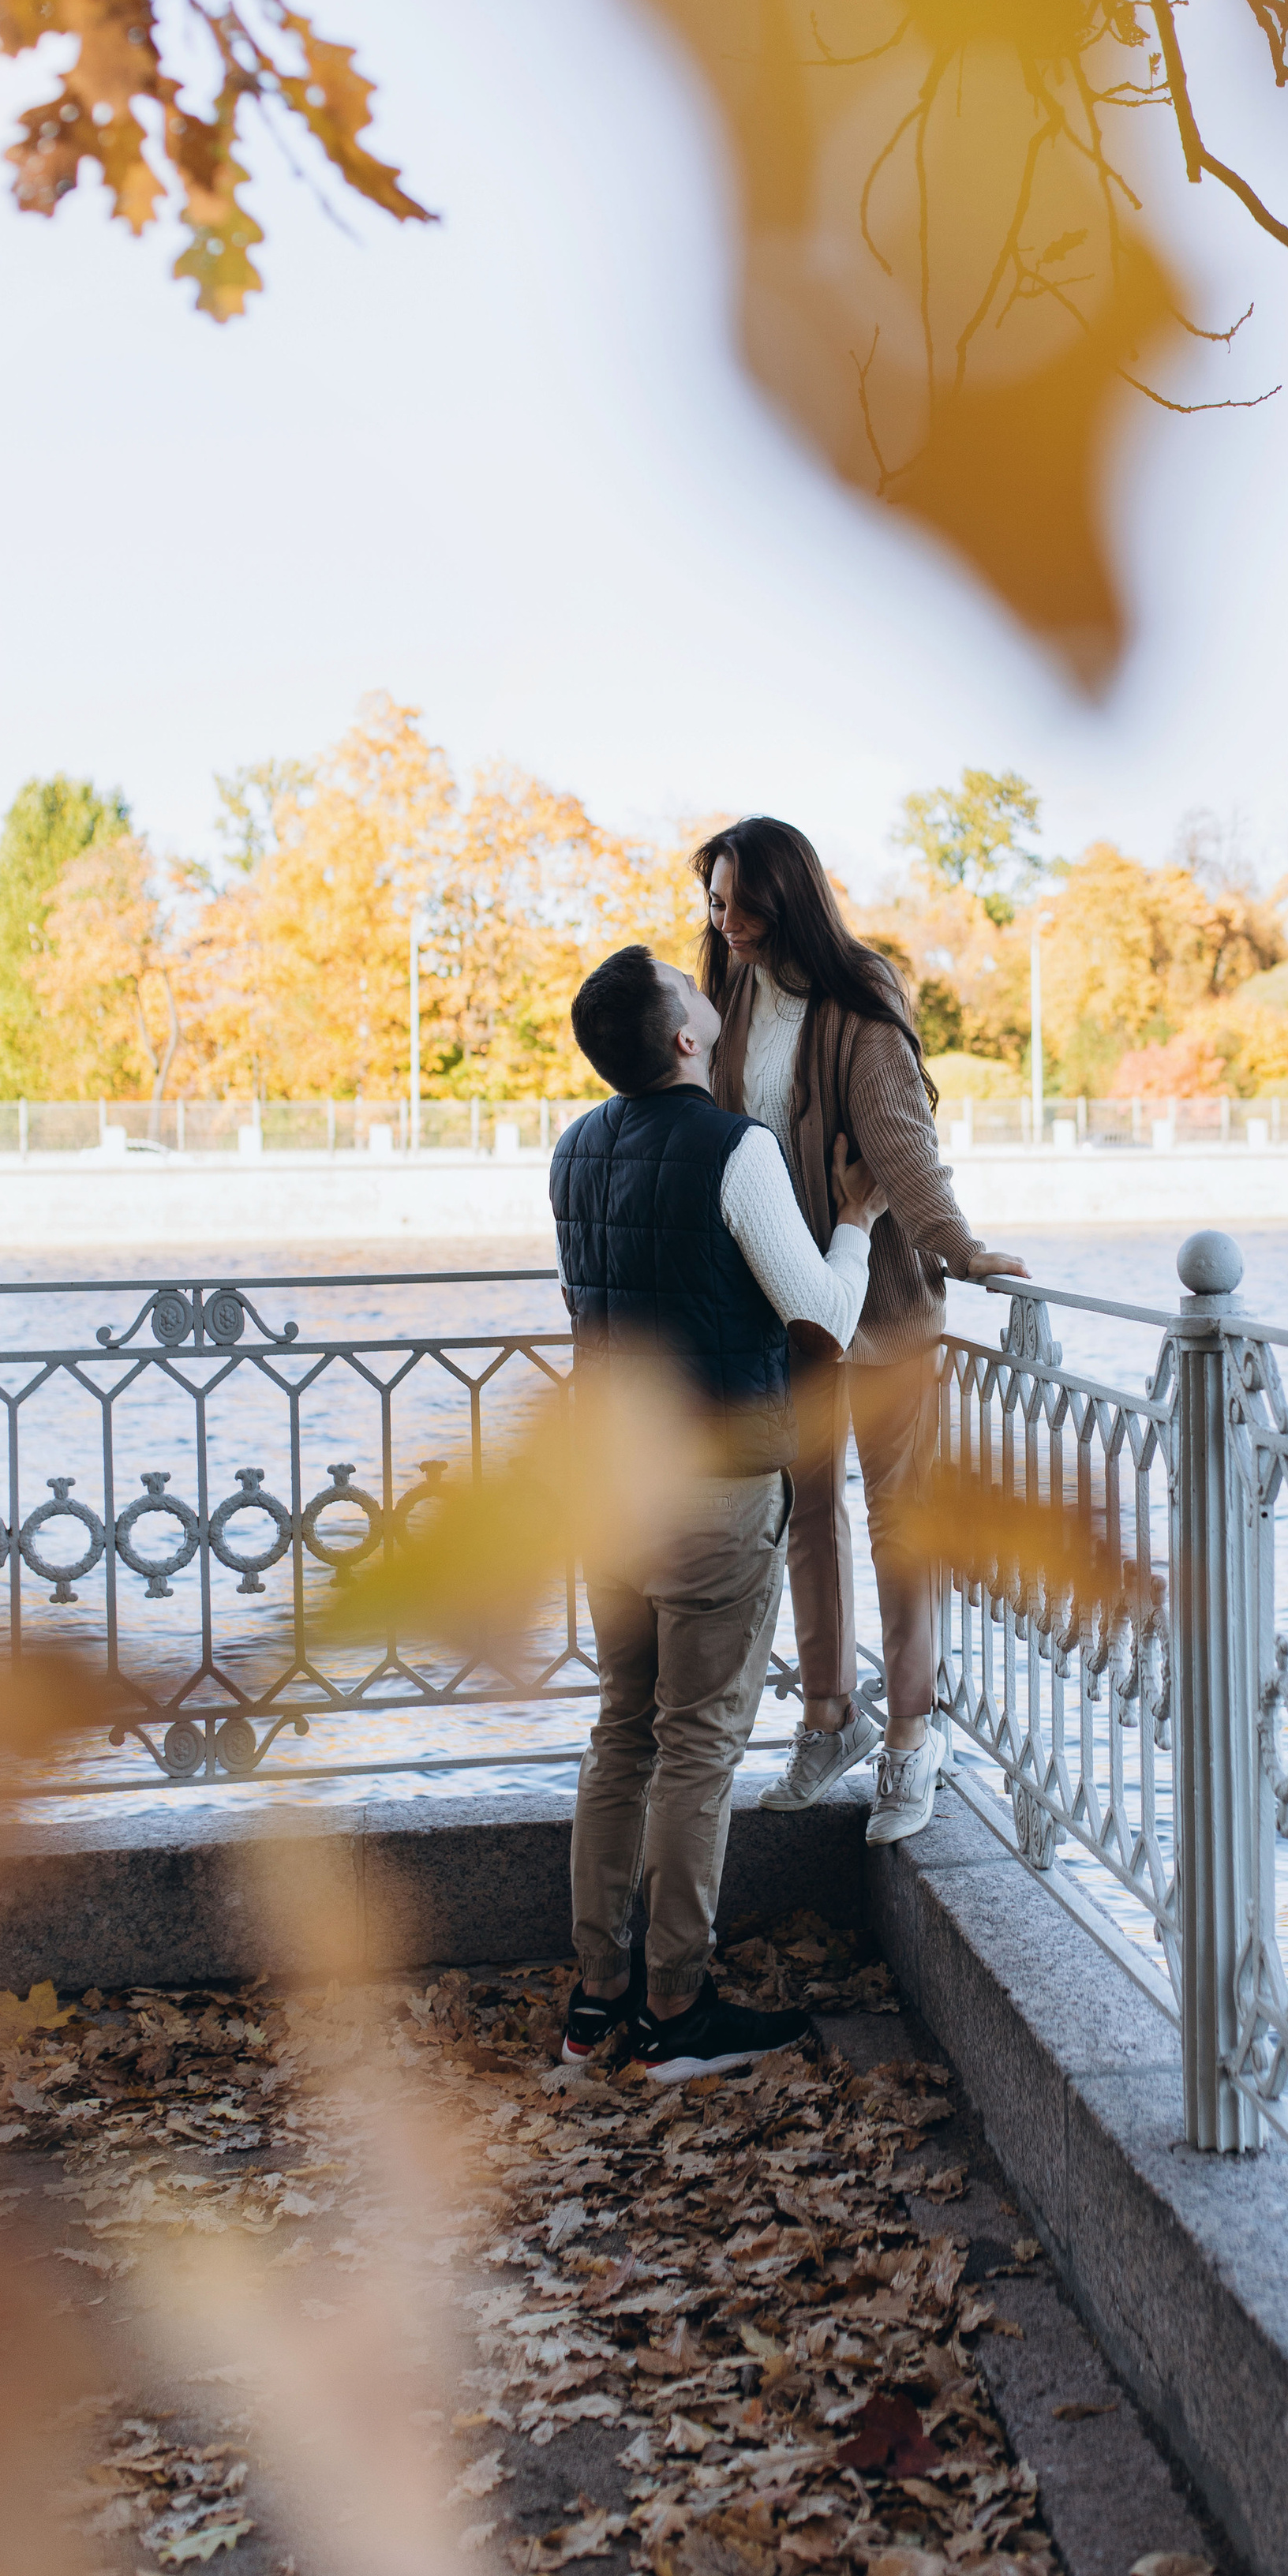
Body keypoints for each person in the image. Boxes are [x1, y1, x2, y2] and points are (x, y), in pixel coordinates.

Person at [552, 942, 890, 2077]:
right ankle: (676, 2009)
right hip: (709, 1491)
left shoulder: (574, 1151)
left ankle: (597, 1999)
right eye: (692, 994)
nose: (710, 991)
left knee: (620, 1730)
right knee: (696, 1744)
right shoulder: (736, 1151)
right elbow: (824, 1317)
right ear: (687, 1040)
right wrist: (858, 1216)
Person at [694, 816, 1028, 1845]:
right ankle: (829, 1718)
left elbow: (899, 1137)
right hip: (789, 1306)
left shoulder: (857, 996)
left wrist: (960, 1248)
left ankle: (913, 1740)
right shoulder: (727, 1003)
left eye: (743, 900)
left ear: (789, 895)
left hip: (881, 1306)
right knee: (806, 1513)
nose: (728, 921)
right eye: (714, 902)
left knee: (900, 1525)